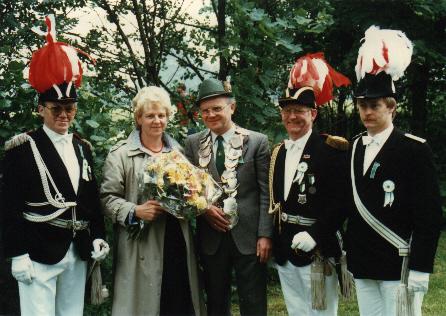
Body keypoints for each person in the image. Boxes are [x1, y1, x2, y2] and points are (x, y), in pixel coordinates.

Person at [292, 26, 442, 316]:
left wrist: (421, 268)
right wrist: (316, 234)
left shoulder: (414, 149)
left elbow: (429, 216)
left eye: (374, 105)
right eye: (362, 106)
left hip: (398, 262)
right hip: (363, 260)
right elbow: (344, 202)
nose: (367, 112)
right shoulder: (355, 147)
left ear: (392, 107)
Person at [1, 15, 109, 316]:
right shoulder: (22, 149)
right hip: (37, 251)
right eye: (56, 108)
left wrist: (98, 235)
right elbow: (8, 205)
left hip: (76, 249)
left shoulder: (82, 148)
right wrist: (17, 253)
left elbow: (90, 200)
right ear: (40, 109)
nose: (64, 115)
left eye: (70, 108)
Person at [100, 86, 206, 316]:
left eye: (161, 115)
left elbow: (192, 191)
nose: (156, 121)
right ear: (139, 118)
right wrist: (134, 210)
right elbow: (107, 199)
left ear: (168, 116)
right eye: (150, 115)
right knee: (145, 306)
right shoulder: (120, 154)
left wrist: (191, 200)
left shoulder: (178, 152)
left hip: (177, 239)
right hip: (141, 244)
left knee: (179, 303)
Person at [269, 53, 351, 316]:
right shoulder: (278, 152)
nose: (292, 117)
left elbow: (341, 202)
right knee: (296, 311)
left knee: (320, 312)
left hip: (318, 250)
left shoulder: (331, 150)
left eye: (299, 111)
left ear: (313, 113)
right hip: (285, 249)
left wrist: (315, 234)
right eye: (287, 111)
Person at [184, 78, 273, 315]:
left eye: (217, 109)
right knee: (215, 302)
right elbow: (189, 190)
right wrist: (203, 209)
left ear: (231, 107)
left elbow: (266, 192)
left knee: (253, 301)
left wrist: (265, 234)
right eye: (205, 111)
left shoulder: (256, 142)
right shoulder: (192, 144)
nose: (211, 114)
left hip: (249, 237)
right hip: (211, 237)